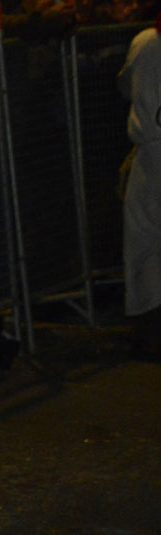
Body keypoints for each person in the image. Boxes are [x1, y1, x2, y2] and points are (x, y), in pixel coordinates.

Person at [119, 18, 161, 357]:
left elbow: (125, 84)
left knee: (145, 241)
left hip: (151, 154)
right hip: (150, 149)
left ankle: (151, 333)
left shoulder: (145, 42)